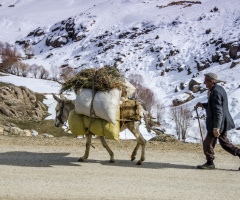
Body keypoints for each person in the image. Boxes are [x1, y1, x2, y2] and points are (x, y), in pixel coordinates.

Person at [195, 73, 240, 170]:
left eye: (206, 80)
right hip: (222, 122)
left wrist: (216, 127)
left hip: (217, 123)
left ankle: (210, 163)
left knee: (207, 143)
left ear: (211, 82)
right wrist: (203, 105)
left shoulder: (215, 92)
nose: (204, 83)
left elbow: (218, 111)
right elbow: (214, 106)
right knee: (225, 143)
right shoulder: (218, 89)